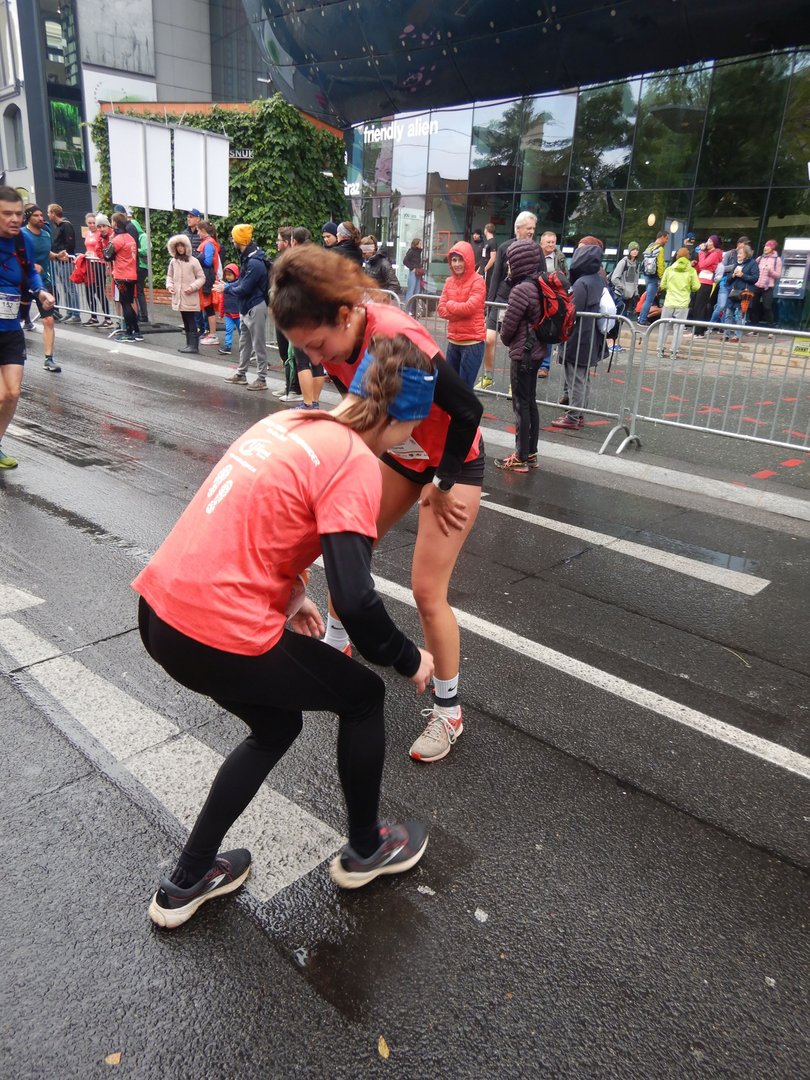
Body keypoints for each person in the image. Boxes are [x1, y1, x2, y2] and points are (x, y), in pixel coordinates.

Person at [135, 336, 437, 928]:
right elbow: (356, 601)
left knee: (277, 725)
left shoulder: (291, 423)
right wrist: (408, 657)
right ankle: (367, 848)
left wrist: (293, 593)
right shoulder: (355, 463)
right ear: (406, 421)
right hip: (215, 629)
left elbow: (250, 520)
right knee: (363, 695)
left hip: (159, 612)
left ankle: (188, 878)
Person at [270, 245, 484, 764]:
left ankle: (449, 711)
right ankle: (336, 644)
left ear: (346, 315)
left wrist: (442, 480)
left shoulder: (396, 336)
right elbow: (357, 417)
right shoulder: (331, 338)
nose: (316, 359)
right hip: (399, 451)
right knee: (348, 546)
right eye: (304, 349)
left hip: (451, 461)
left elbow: (467, 408)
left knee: (426, 590)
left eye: (318, 345)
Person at [0, 186, 54, 468]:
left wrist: (40, 291)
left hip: (10, 328)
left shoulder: (23, 242)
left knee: (11, 393)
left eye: (18, 214)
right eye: (7, 213)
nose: (14, 219)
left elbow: (30, 272)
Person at [495, 238, 546, 472]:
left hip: (522, 353)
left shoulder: (521, 290)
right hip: (536, 351)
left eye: (510, 262)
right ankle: (531, 453)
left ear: (519, 263)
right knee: (530, 402)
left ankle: (520, 457)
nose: (508, 266)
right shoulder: (539, 285)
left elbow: (508, 330)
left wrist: (505, 337)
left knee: (520, 405)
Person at [476, 211, 538, 391]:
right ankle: (488, 377)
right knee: (488, 339)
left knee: (517, 346)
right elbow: (495, 277)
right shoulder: (504, 247)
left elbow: (541, 275)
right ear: (518, 228)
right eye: (528, 228)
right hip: (501, 299)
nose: (531, 231)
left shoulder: (535, 249)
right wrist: (489, 305)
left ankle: (515, 383)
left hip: (522, 302)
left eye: (533, 228)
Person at [551, 239, 608, 430]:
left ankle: (573, 417)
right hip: (589, 336)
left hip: (577, 337)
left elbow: (571, 311)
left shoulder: (582, 283)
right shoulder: (597, 280)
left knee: (575, 378)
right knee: (583, 378)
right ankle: (579, 413)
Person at [215, 223, 270, 391]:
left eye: (234, 238)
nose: (232, 241)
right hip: (248, 306)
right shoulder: (250, 257)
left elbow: (244, 287)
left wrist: (226, 288)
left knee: (258, 344)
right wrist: (228, 286)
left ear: (240, 240)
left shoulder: (254, 262)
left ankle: (261, 379)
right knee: (245, 343)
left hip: (255, 306)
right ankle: (241, 374)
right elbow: (242, 281)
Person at [437, 241, 486, 389]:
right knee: (451, 387)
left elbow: (470, 308)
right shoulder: (449, 281)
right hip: (453, 341)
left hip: (472, 343)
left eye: (460, 260)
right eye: (454, 260)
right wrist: (461, 311)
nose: (457, 264)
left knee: (464, 389)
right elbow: (441, 310)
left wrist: (451, 305)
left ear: (468, 260)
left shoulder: (478, 281)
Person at [20, 205, 60, 372]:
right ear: (28, 217)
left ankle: (49, 359)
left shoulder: (46, 234)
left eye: (41, 215)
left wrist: (57, 256)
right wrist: (30, 266)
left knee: (49, 320)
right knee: (16, 320)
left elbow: (46, 253)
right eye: (36, 215)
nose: (41, 218)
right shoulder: (21, 235)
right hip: (23, 283)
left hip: (43, 283)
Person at [273, 226, 302, 401]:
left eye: (279, 240)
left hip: (291, 311)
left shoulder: (296, 262)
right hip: (280, 309)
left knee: (293, 354)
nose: (276, 243)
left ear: (287, 242)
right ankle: (288, 386)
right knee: (284, 352)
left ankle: (295, 389)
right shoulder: (282, 260)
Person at [657, 247, 699, 360]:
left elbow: (662, 285)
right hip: (683, 303)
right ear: (688, 257)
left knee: (664, 327)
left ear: (676, 257)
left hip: (669, 302)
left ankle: (660, 349)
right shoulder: (691, 271)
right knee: (678, 328)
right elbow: (696, 287)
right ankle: (674, 352)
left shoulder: (669, 269)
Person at [104, 212, 141, 342]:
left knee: (125, 304)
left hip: (121, 276)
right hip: (132, 275)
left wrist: (111, 240)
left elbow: (107, 255)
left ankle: (129, 333)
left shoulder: (117, 239)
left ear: (115, 223)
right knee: (129, 302)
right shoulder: (130, 238)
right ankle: (136, 331)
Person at [166, 235, 206, 354]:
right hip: (179, 296)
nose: (180, 248)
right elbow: (169, 276)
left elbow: (201, 277)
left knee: (191, 319)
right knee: (185, 319)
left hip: (189, 296)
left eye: (182, 246)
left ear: (186, 247)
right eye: (177, 246)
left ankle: (193, 345)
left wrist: (192, 287)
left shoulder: (194, 261)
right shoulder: (173, 261)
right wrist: (170, 286)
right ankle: (189, 344)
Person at [48, 203, 79, 322]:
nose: (48, 215)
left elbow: (70, 244)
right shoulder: (59, 226)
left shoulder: (66, 226)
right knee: (66, 288)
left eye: (49, 212)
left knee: (70, 288)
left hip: (66, 262)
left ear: (53, 213)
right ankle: (70, 312)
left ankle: (76, 314)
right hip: (59, 261)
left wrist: (62, 253)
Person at [709, 236, 749, 331]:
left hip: (735, 285)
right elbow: (722, 268)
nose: (746, 246)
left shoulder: (746, 258)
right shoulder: (729, 254)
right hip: (725, 282)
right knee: (721, 306)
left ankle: (724, 328)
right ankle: (710, 326)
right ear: (739, 244)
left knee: (728, 308)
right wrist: (735, 267)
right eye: (745, 244)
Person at [722, 243, 759, 342]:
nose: (738, 255)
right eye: (738, 253)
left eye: (740, 253)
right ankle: (726, 334)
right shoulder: (736, 264)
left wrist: (743, 275)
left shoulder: (753, 264)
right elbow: (728, 280)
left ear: (746, 254)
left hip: (744, 293)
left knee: (740, 315)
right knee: (728, 314)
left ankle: (737, 336)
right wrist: (733, 275)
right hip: (733, 292)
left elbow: (755, 278)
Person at [83, 213, 112, 326]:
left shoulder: (100, 234)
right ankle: (93, 316)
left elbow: (103, 249)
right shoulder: (87, 234)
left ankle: (108, 318)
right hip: (89, 264)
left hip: (99, 264)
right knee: (89, 291)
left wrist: (98, 256)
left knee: (100, 292)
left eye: (93, 223)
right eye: (89, 223)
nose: (92, 225)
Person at [691, 235, 723, 334]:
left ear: (714, 243)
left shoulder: (716, 253)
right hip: (701, 280)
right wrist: (695, 264)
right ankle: (698, 330)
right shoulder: (707, 253)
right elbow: (701, 267)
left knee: (700, 307)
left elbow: (703, 265)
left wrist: (701, 252)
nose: (707, 243)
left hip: (706, 282)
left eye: (710, 241)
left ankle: (698, 332)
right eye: (708, 241)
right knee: (697, 306)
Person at [196, 221, 221, 345]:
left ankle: (212, 334)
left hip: (207, 279)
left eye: (198, 230)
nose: (197, 233)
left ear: (203, 231)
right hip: (208, 278)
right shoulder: (209, 243)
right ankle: (211, 333)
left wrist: (198, 258)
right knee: (208, 307)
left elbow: (208, 262)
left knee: (208, 307)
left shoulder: (208, 244)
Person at [638, 231, 669, 326]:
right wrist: (661, 277)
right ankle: (642, 320)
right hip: (654, 277)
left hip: (647, 275)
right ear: (662, 237)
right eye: (666, 238)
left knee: (647, 298)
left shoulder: (649, 247)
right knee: (649, 300)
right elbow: (660, 264)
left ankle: (641, 318)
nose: (667, 240)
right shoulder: (660, 249)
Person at [750, 240, 782, 327]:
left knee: (767, 307)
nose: (765, 248)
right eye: (765, 246)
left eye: (768, 246)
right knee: (754, 307)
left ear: (772, 248)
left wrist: (770, 271)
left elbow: (778, 275)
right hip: (756, 285)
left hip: (768, 287)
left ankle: (770, 328)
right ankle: (754, 328)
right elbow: (753, 270)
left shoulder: (777, 260)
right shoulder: (760, 258)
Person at [217, 263, 241, 355]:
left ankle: (244, 347)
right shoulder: (225, 287)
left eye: (230, 275)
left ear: (236, 274)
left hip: (238, 314)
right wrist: (221, 313)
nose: (227, 277)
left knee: (242, 331)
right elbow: (222, 301)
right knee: (228, 330)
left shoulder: (238, 286)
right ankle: (227, 346)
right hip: (228, 314)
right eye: (226, 275)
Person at [403, 237, 424, 304]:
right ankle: (408, 308)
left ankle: (414, 308)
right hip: (413, 273)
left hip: (418, 272)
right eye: (420, 243)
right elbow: (405, 261)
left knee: (417, 291)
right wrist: (412, 268)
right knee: (411, 290)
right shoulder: (411, 251)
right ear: (416, 244)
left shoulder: (419, 252)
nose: (421, 245)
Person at [480, 223, 497, 287]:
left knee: (486, 288)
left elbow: (493, 258)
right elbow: (483, 257)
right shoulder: (486, 242)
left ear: (486, 230)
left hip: (487, 270)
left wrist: (485, 269)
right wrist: (479, 270)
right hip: (482, 268)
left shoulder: (493, 242)